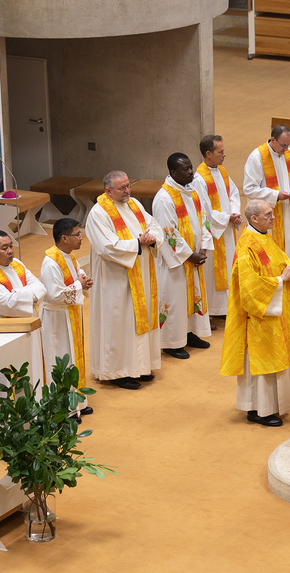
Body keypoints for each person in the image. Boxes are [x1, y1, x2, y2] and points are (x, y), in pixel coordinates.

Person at [220, 199, 290, 427]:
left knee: (276, 358)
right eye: (268, 214)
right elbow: (249, 288)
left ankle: (269, 406)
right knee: (261, 363)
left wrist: (286, 269)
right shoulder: (247, 246)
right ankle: (259, 410)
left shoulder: (262, 236)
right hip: (259, 316)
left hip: (273, 310)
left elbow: (273, 261)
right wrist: (281, 279)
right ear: (254, 219)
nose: (273, 217)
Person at [86, 170, 164, 390]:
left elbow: (153, 225)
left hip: (141, 272)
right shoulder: (99, 213)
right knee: (119, 322)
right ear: (108, 191)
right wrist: (138, 243)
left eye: (128, 186)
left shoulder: (134, 204)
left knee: (137, 320)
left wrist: (151, 237)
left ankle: (140, 367)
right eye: (122, 188)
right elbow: (106, 246)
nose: (127, 191)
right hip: (116, 279)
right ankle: (117, 371)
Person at [152, 153, 213, 360]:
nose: (190, 172)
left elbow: (203, 219)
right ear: (173, 172)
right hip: (177, 262)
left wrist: (203, 247)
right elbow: (167, 232)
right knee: (175, 300)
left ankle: (188, 333)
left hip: (193, 256)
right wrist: (189, 255)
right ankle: (171, 342)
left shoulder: (191, 191)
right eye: (185, 169)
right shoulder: (164, 198)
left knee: (190, 297)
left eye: (190, 167)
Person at [0, 229, 47, 381]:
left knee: (30, 372)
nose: (10, 251)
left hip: (26, 329)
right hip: (1, 334)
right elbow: (8, 304)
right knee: (5, 380)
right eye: (4, 248)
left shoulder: (17, 264)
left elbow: (41, 288)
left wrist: (18, 295)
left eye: (11, 246)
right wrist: (30, 295)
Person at [40, 218, 94, 416]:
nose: (81, 238)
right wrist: (79, 284)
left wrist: (84, 279)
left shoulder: (69, 256)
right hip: (56, 320)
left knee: (73, 358)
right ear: (64, 238)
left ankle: (76, 403)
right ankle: (62, 410)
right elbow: (55, 295)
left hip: (69, 316)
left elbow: (76, 274)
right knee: (60, 360)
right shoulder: (51, 263)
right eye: (77, 234)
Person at [192, 134, 243, 324]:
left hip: (226, 230)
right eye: (220, 152)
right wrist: (226, 217)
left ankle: (225, 307)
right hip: (213, 233)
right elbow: (203, 210)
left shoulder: (222, 171)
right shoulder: (199, 178)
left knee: (228, 267)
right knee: (213, 274)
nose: (224, 155)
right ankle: (212, 310)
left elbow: (233, 193)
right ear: (208, 154)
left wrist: (234, 212)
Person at [244, 124, 290, 265]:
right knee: (270, 260)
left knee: (287, 253)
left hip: (286, 212)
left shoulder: (289, 154)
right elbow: (249, 188)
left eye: (288, 145)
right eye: (283, 145)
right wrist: (275, 195)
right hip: (266, 217)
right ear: (273, 140)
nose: (286, 149)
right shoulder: (257, 157)